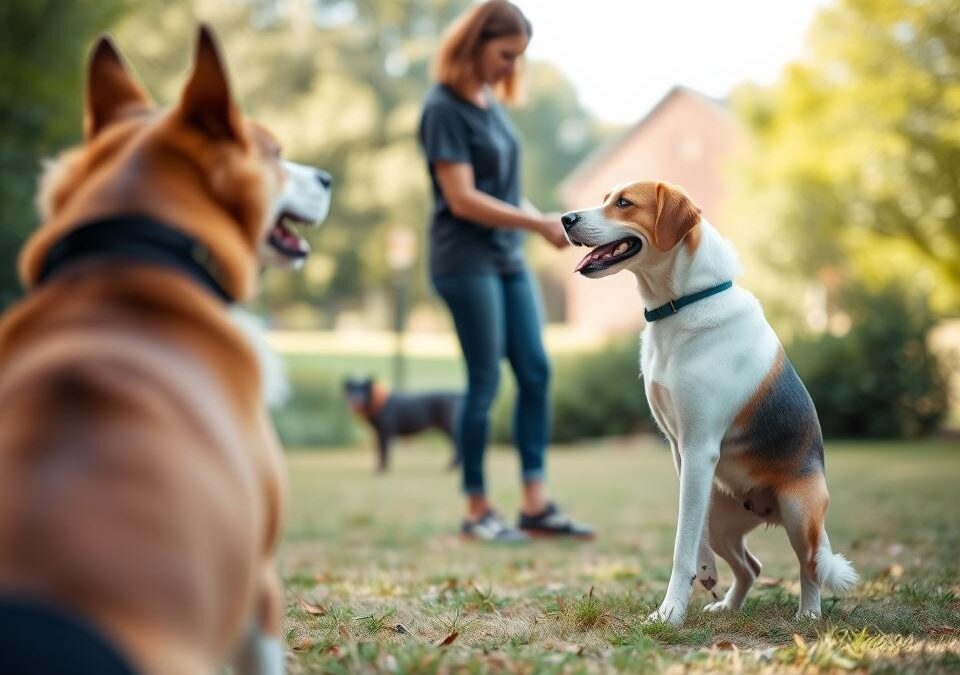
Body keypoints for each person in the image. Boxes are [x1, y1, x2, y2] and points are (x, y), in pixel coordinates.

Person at [418, 0, 594, 542]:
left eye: (519, 57)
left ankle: (535, 506)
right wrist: (536, 224)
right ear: (474, 43)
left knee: (536, 372)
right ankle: (476, 510)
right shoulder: (443, 107)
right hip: (464, 260)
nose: (512, 67)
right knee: (485, 381)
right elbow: (463, 198)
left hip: (506, 258)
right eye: (505, 54)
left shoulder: (490, 104)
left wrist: (544, 220)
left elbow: (501, 187)